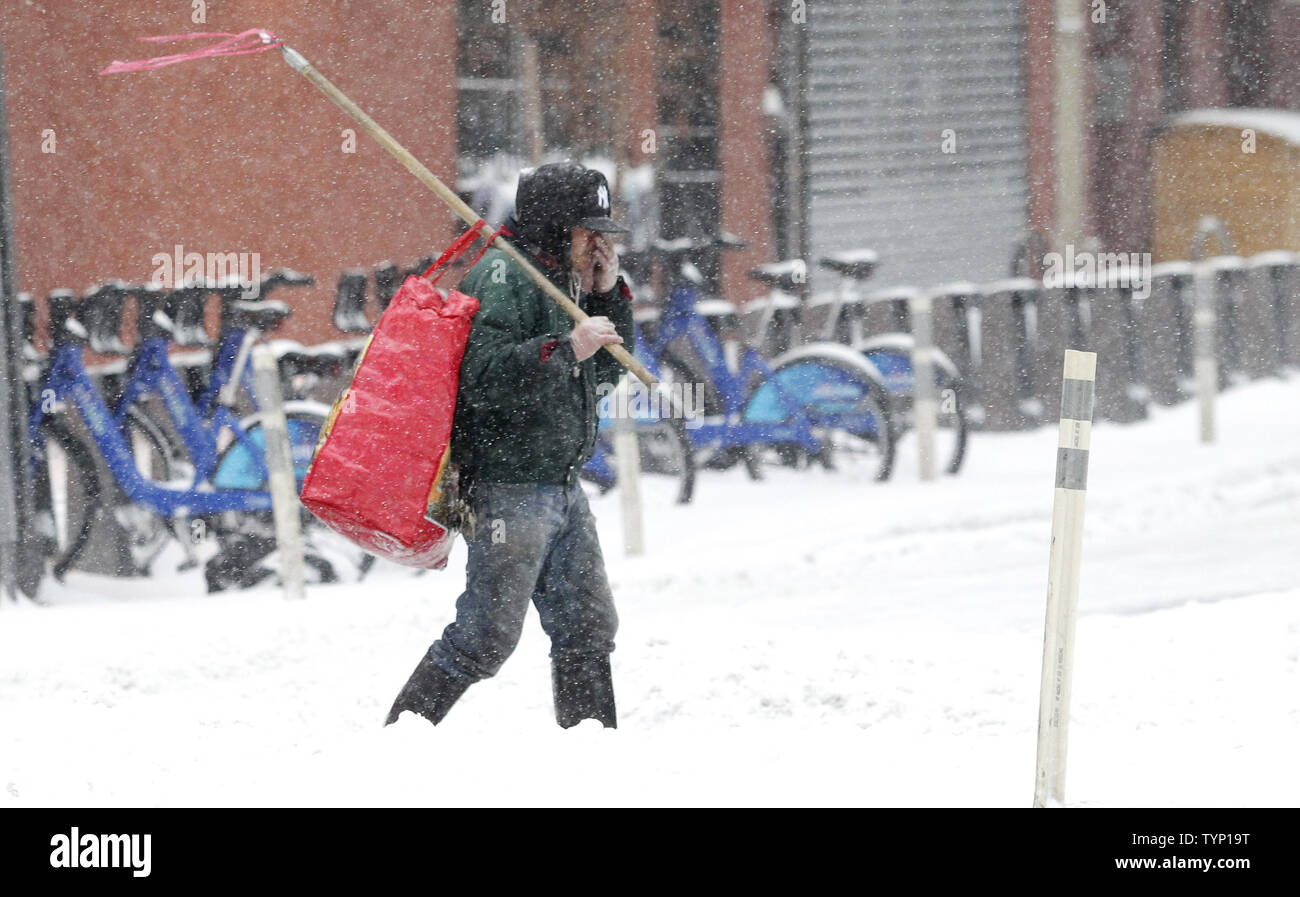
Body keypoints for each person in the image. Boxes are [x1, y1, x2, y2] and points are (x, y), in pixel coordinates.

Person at [384, 161, 635, 729]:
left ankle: (594, 751)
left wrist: (608, 295)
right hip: (508, 486)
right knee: (485, 637)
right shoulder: (505, 276)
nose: (597, 243)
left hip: (560, 482)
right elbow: (484, 378)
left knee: (588, 627)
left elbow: (604, 376)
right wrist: (566, 346)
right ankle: (401, 740)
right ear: (552, 228)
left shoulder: (568, 280)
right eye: (586, 230)